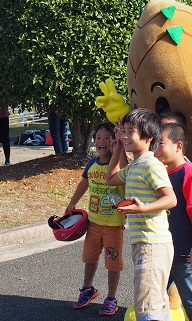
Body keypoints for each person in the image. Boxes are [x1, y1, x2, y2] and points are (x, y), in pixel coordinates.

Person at [106, 108, 177, 321]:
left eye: (131, 132)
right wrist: (118, 148)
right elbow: (111, 178)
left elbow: (170, 199)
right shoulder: (137, 164)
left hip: (152, 244)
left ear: (148, 137)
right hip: (143, 243)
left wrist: (141, 208)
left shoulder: (150, 164)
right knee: (155, 304)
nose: (125, 135)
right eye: (123, 131)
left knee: (148, 307)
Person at [154, 122, 192, 321]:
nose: (156, 148)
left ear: (178, 146)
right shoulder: (161, 173)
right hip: (164, 251)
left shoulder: (189, 173)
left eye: (160, 143)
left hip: (185, 254)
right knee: (153, 301)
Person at [65, 122, 128, 316]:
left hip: (114, 225)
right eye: (98, 138)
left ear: (114, 141)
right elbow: (84, 184)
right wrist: (72, 203)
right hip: (93, 223)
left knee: (112, 262)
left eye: (107, 137)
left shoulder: (118, 164)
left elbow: (127, 170)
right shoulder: (92, 164)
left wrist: (121, 149)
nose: (102, 141)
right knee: (89, 258)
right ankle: (87, 289)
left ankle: (111, 297)